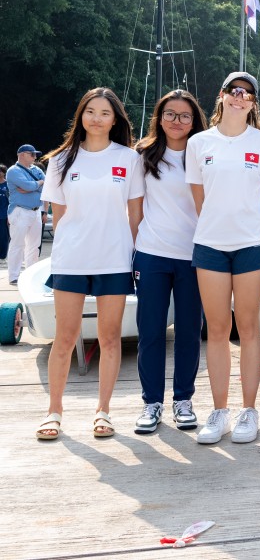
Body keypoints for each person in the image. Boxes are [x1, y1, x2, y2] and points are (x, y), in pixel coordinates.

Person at [35, 88, 144, 440]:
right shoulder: (61, 160)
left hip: (113, 258)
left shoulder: (129, 159)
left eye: (105, 113)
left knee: (110, 338)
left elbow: (134, 216)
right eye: (91, 111)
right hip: (71, 259)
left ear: (116, 120)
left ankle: (103, 411)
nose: (97, 118)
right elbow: (60, 216)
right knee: (64, 339)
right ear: (81, 115)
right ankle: (54, 410)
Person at [186, 72, 260, 445]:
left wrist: (246, 225)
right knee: (218, 329)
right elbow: (199, 198)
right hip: (209, 244)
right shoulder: (199, 143)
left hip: (252, 245)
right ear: (222, 96)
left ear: (254, 103)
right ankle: (220, 410)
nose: (240, 97)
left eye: (248, 94)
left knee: (249, 327)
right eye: (233, 91)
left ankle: (248, 411)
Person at [132, 90, 209, 434]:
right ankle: (151, 403)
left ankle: (183, 400)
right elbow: (134, 209)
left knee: (190, 332)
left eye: (185, 116)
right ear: (159, 117)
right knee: (150, 331)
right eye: (170, 114)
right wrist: (134, 249)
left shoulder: (204, 153)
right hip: (151, 254)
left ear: (195, 121)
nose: (177, 121)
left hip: (194, 256)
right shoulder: (143, 155)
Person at [6, 144, 46, 285]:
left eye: (36, 154)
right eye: (32, 154)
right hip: (20, 211)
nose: (35, 157)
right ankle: (14, 276)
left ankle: (31, 274)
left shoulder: (36, 169)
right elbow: (29, 186)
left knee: (34, 245)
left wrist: (33, 186)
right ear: (22, 154)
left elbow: (47, 186)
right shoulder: (13, 171)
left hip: (35, 211)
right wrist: (38, 184)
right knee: (18, 244)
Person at [0, 165, 9, 263]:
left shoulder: (7, 185)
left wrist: (9, 215)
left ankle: (3, 255)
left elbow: (10, 200)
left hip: (3, 215)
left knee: (3, 236)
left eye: (0, 171)